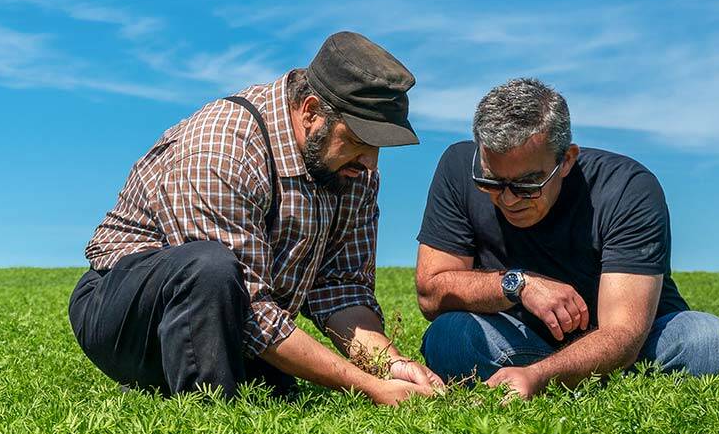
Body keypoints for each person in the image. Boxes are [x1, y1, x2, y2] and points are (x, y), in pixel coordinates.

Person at [71, 31, 444, 405]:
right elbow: (246, 308)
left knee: (278, 393)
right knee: (211, 267)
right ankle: (206, 414)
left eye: (378, 147)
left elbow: (340, 288)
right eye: (361, 142)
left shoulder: (352, 170)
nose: (371, 162)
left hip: (235, 319)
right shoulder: (222, 149)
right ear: (312, 112)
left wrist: (389, 365)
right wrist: (369, 387)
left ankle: (187, 382)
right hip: (126, 313)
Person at [414, 78, 719, 399]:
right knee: (450, 336)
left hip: (635, 345)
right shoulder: (458, 167)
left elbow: (623, 332)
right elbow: (432, 293)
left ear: (566, 160)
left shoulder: (627, 188)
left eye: (527, 185)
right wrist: (518, 285)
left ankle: (539, 378)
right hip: (521, 338)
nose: (508, 199)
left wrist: (539, 377)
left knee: (713, 345)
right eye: (491, 183)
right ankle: (567, 379)